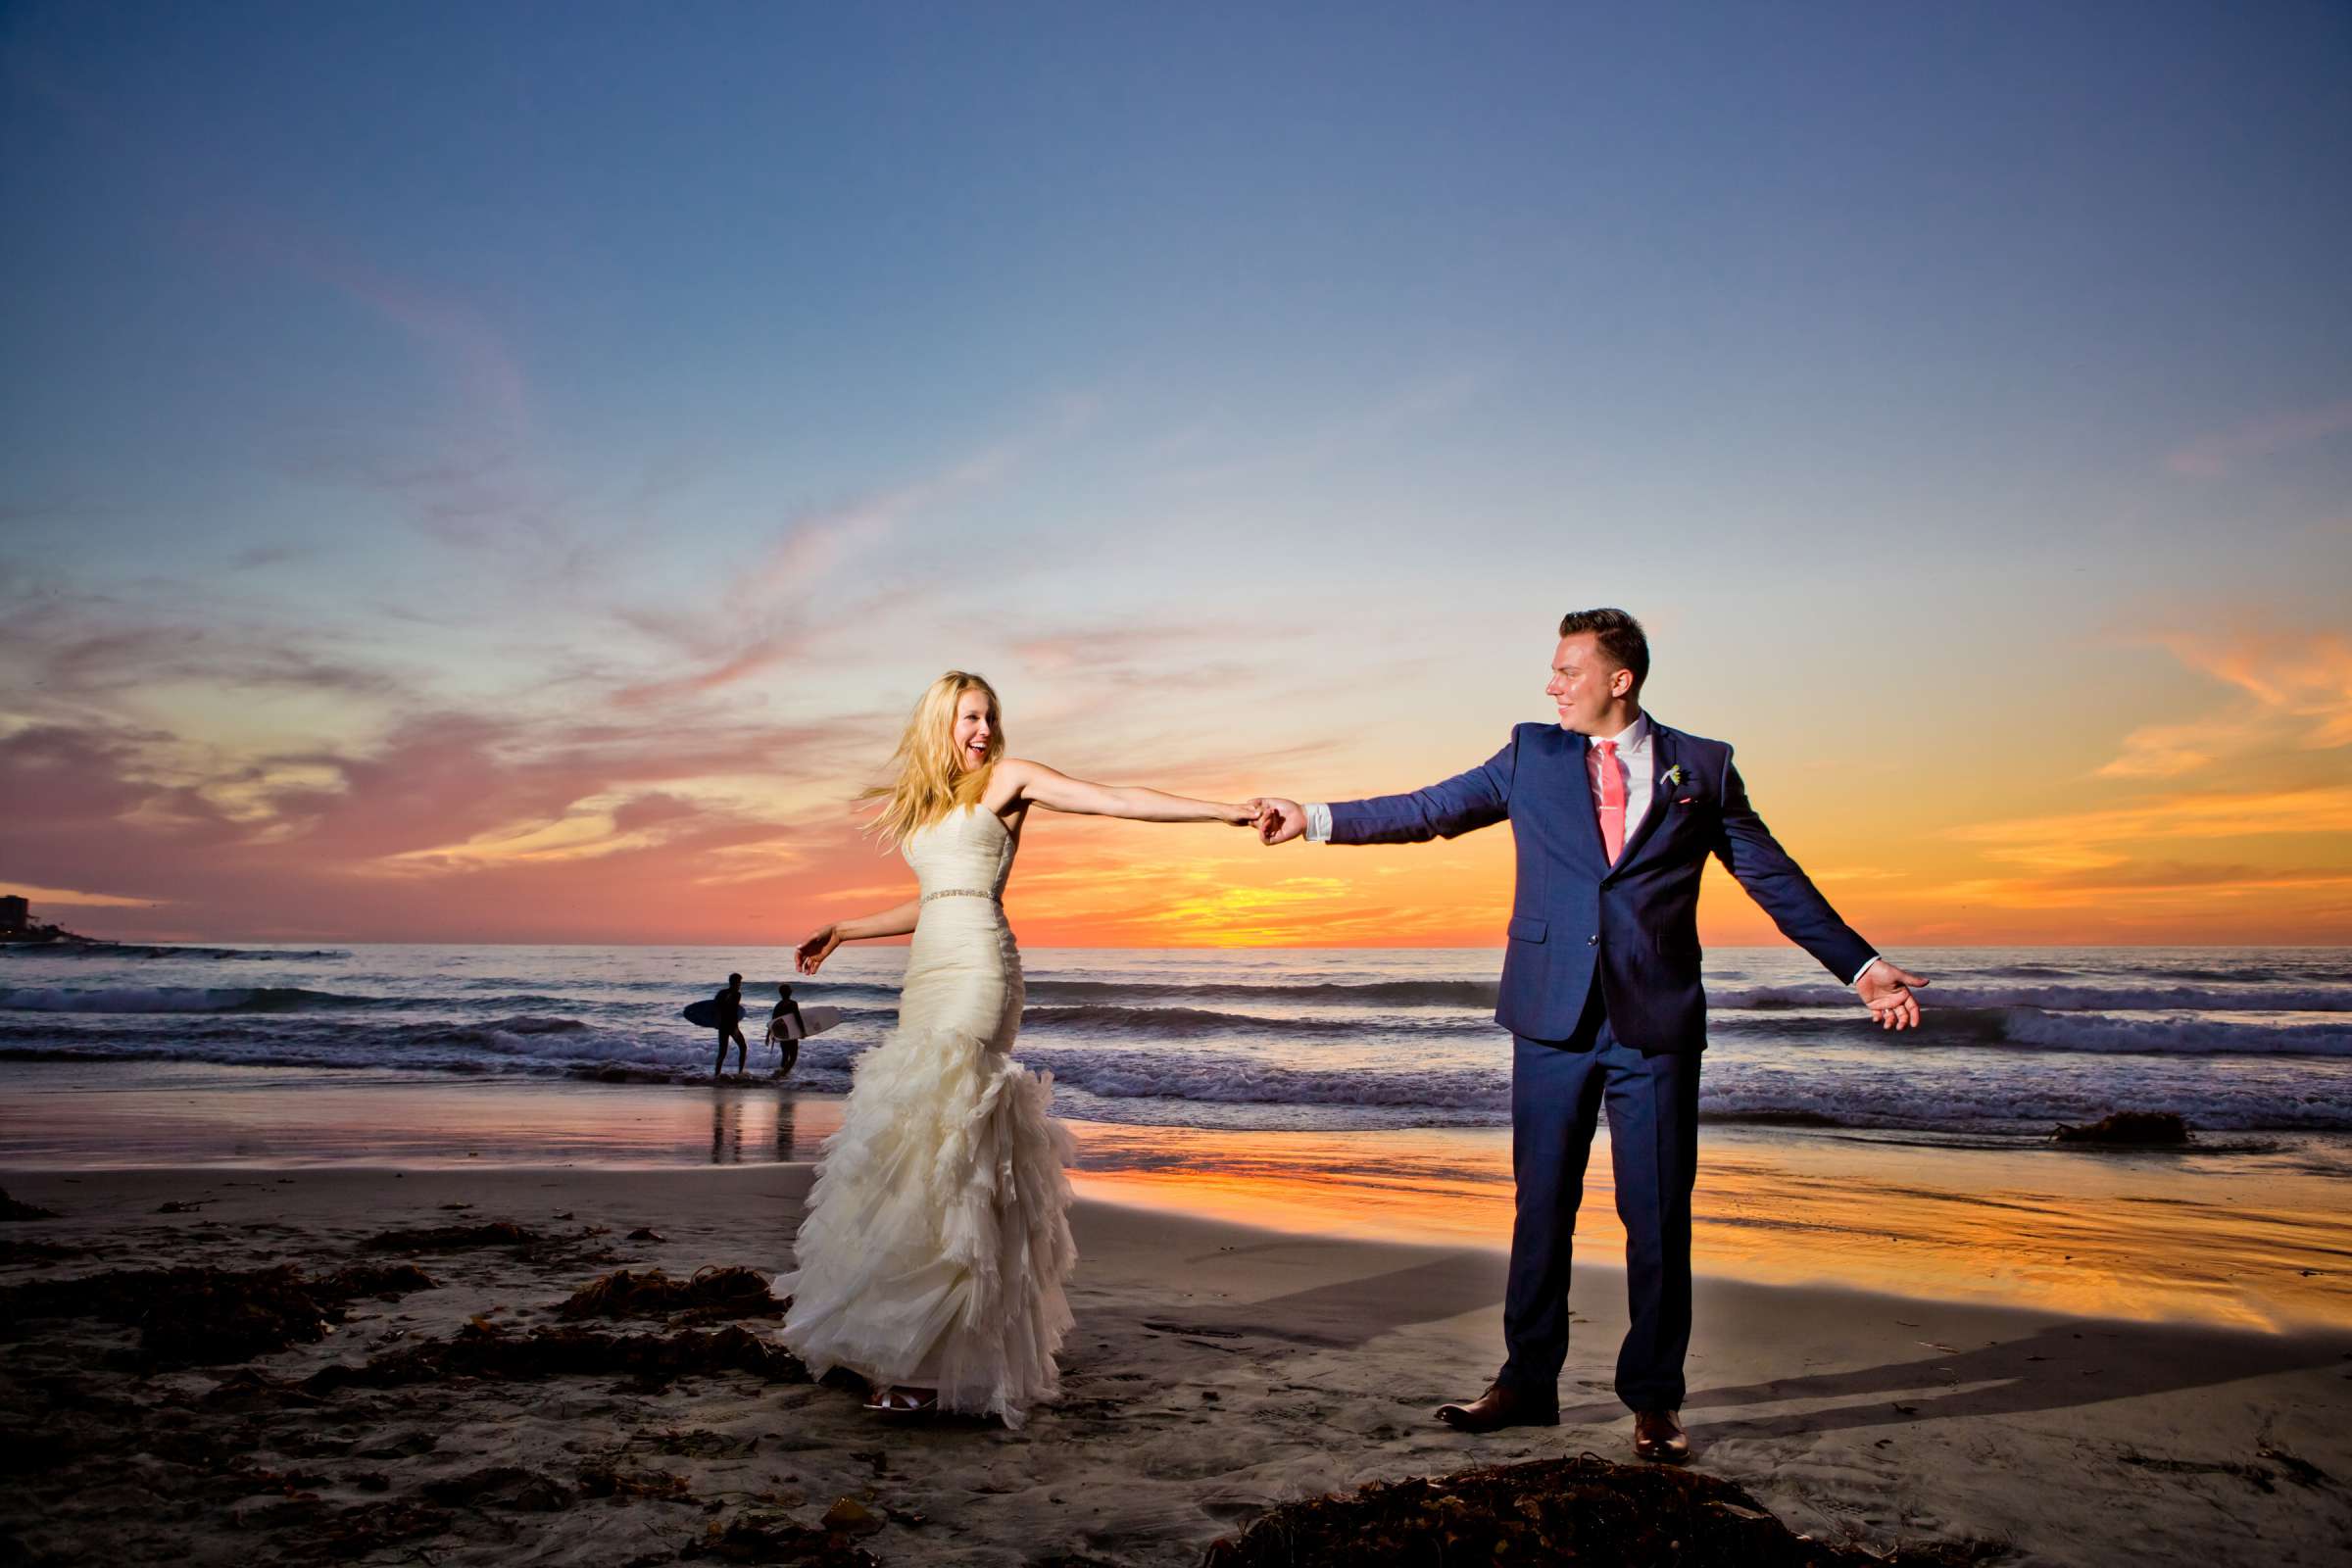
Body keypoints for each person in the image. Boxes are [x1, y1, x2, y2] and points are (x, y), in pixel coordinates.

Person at [1249, 608, 1928, 1465]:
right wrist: (1310, 817)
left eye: (1568, 670)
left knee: (1656, 1215)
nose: (1551, 685)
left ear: (1620, 679)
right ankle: (1526, 1385)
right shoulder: (1532, 754)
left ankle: (1654, 1402)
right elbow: (1429, 809)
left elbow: (1772, 877)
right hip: (1550, 1018)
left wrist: (1862, 969)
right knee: (1543, 1208)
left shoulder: (1703, 767)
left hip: (1655, 1024)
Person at [785, 669, 1258, 1427]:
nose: (982, 730)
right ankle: (900, 1340)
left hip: (979, 971)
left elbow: (1116, 797)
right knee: (915, 1147)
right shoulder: (935, 802)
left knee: (957, 1147)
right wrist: (846, 928)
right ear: (940, 722)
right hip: (927, 973)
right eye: (969, 717)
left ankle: (936, 1365)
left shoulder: (1010, 779)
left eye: (989, 717)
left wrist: (1226, 812)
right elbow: (935, 896)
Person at [710, 972, 749, 1079]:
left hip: (722, 1026)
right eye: (739, 983)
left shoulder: (721, 993)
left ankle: (716, 1074)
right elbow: (732, 1012)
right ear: (736, 983)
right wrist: (735, 1029)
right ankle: (740, 1073)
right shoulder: (737, 994)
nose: (740, 985)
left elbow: (715, 1007)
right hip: (731, 1027)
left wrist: (716, 1022)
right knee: (743, 1047)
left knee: (722, 1052)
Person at [766, 983, 805, 1078]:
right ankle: (782, 1074)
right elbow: (797, 1018)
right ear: (789, 992)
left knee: (785, 1055)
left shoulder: (778, 1005)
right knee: (793, 1057)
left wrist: (768, 1036)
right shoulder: (793, 1003)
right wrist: (803, 1031)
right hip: (791, 1033)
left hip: (782, 1033)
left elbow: (772, 1022)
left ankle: (782, 1074)